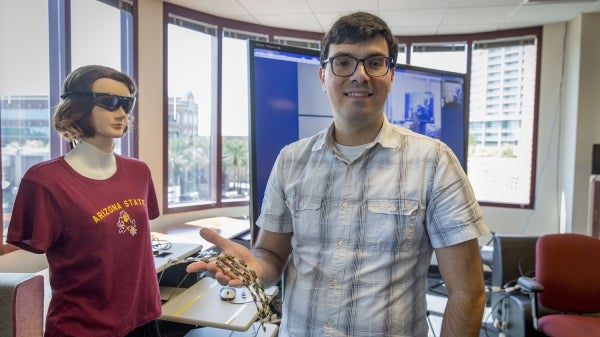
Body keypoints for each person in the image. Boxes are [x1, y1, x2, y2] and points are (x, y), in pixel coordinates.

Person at [187, 11, 489, 337]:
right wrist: (256, 267)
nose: (360, 75)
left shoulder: (435, 163)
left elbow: (467, 293)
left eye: (374, 63)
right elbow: (271, 255)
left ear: (391, 75)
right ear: (323, 76)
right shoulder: (291, 160)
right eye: (343, 62)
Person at [7, 65, 161, 337]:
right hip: (83, 327)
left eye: (127, 104)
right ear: (77, 107)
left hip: (143, 319)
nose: (122, 113)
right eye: (109, 102)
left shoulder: (139, 172)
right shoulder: (45, 181)